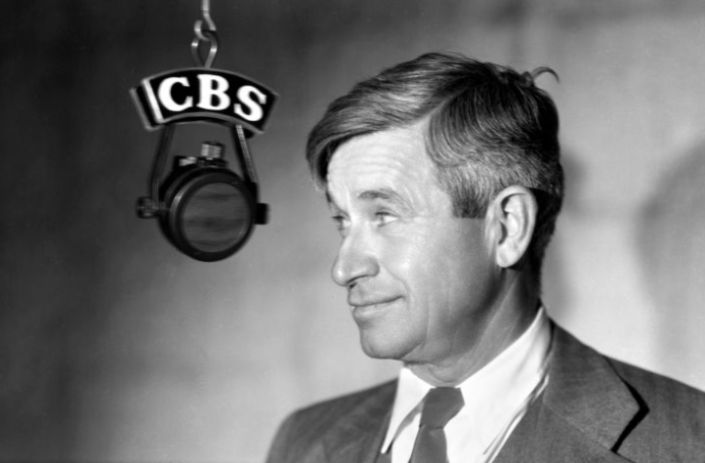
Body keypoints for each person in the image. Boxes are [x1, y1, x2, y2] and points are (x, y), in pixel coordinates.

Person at [265, 52, 705, 463]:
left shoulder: (686, 443)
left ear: (507, 227)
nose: (343, 269)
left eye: (385, 215)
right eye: (342, 222)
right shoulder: (302, 441)